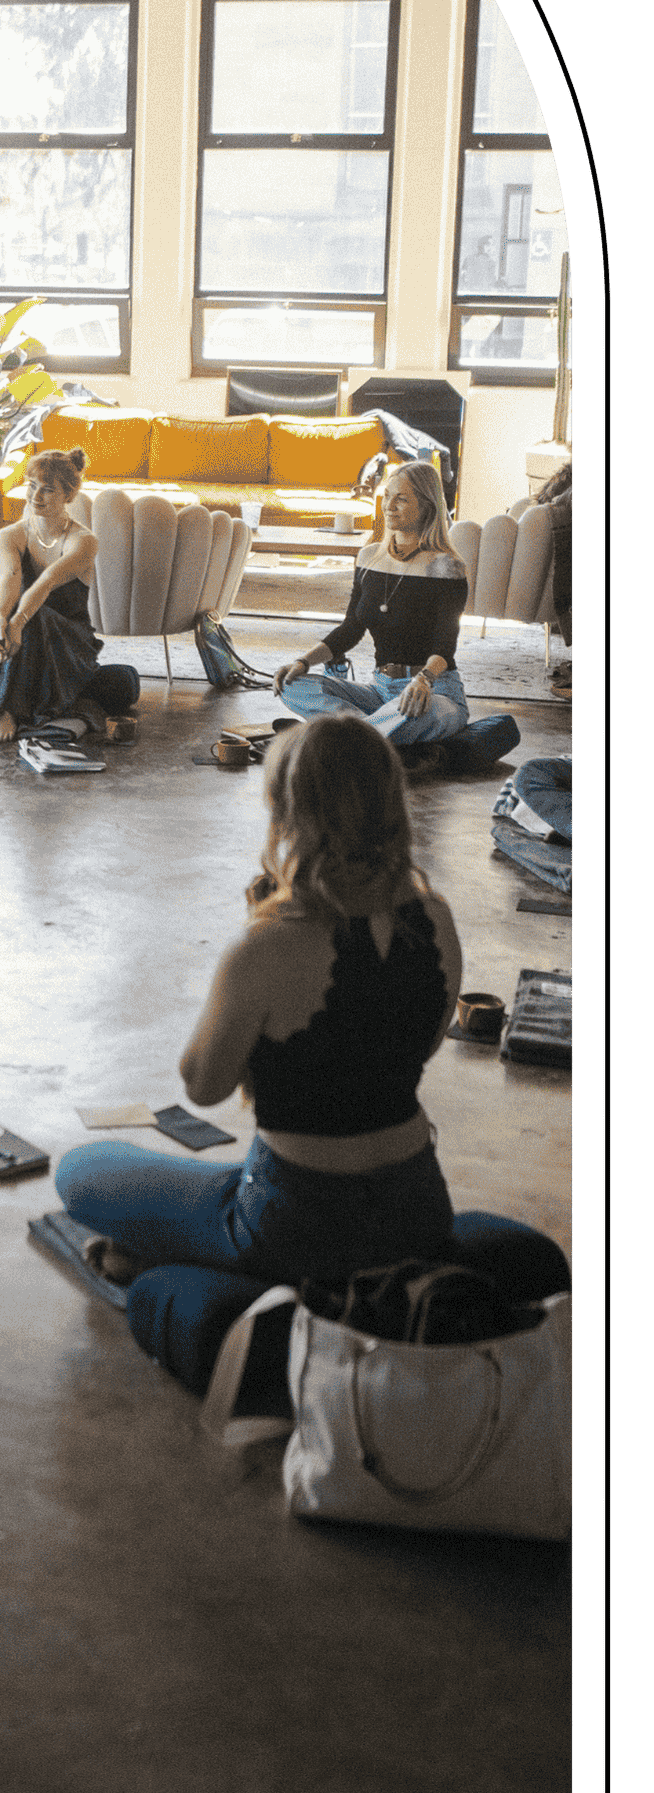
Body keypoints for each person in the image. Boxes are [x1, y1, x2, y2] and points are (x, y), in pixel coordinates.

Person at [54, 714, 569, 1359]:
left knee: (82, 1171)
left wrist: (237, 984)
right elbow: (421, 1048)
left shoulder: (269, 942)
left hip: (290, 1221)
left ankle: (239, 1297)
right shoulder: (434, 918)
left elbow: (203, 1085)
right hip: (417, 1209)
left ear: (288, 813)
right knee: (518, 1253)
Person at [0, 448, 136, 744]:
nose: (36, 496)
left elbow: (45, 583)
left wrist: (18, 620)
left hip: (68, 644)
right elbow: (10, 578)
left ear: (68, 496)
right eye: (32, 486)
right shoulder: (11, 535)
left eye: (48, 490)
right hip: (22, 644)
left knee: (36, 615)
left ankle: (5, 710)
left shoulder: (84, 541)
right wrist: (2, 620)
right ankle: (7, 702)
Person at [272, 460, 470, 750]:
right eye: (387, 496)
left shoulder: (446, 568)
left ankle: (337, 733)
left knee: (419, 714)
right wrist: (302, 662)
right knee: (291, 686)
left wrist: (424, 680)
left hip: (433, 692)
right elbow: (351, 629)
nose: (389, 505)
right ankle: (372, 734)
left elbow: (445, 646)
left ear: (427, 506)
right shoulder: (368, 559)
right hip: (380, 691)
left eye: (401, 498)